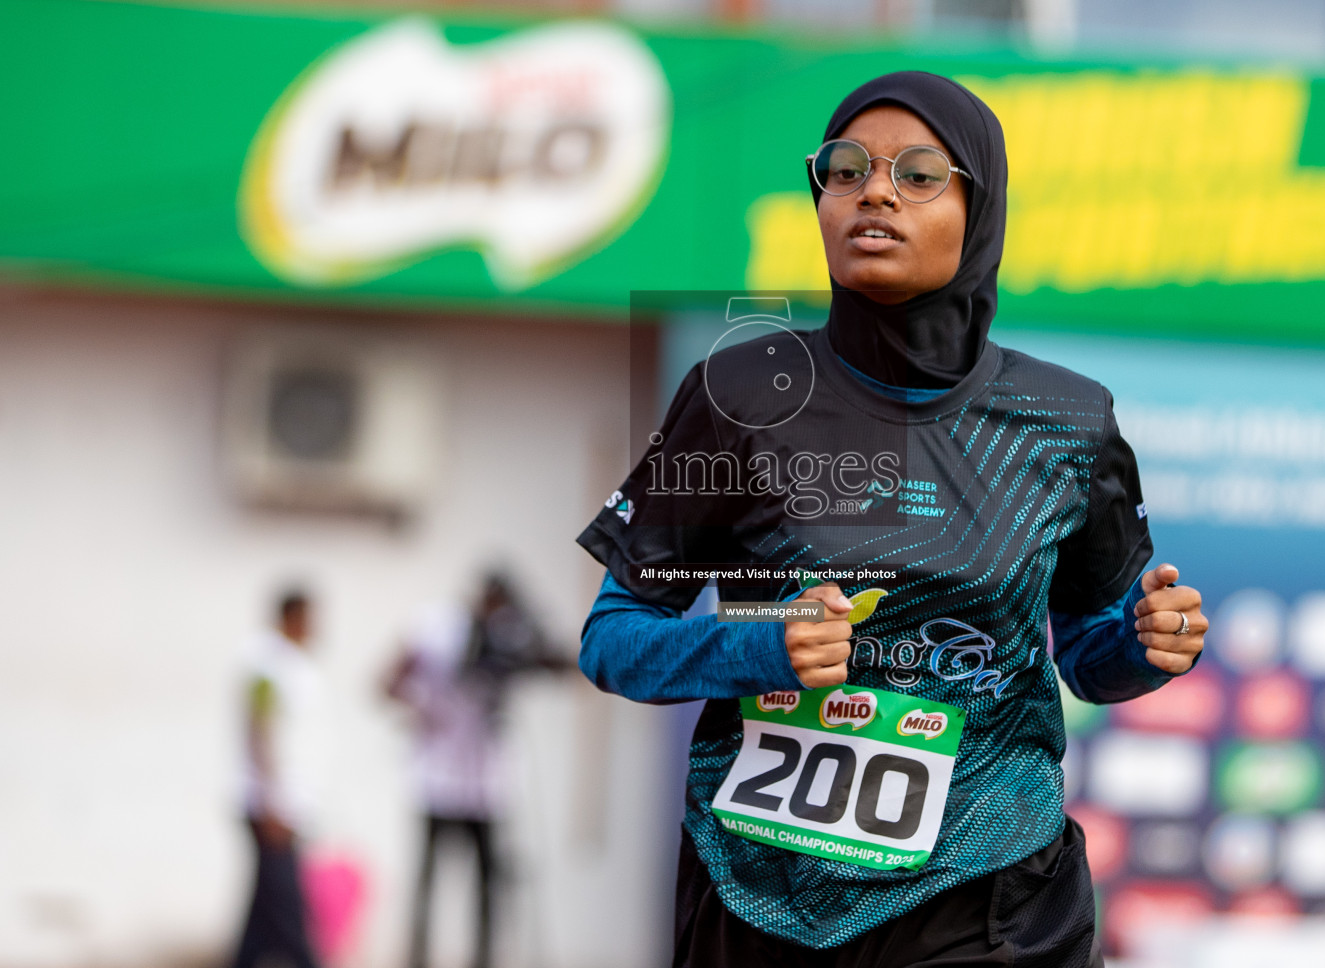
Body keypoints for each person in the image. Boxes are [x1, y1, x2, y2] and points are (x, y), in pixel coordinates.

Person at [574, 72, 1210, 967]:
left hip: (984, 895)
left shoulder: (1065, 423)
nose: (874, 190)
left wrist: (1145, 647)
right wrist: (759, 647)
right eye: (844, 170)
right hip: (758, 897)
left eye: (918, 174)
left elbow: (1092, 661)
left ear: (978, 208)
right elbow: (613, 640)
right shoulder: (742, 393)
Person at [382, 571, 567, 968]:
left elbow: (559, 663)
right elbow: (387, 681)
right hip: (438, 778)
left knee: (489, 882)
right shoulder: (437, 627)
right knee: (428, 881)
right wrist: (421, 707)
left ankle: (483, 959)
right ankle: (418, 957)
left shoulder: (511, 633)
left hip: (486, 783)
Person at [233, 588, 328, 968]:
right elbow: (261, 730)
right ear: (291, 617)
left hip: (284, 803)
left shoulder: (290, 664)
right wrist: (272, 801)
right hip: (271, 807)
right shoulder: (266, 662)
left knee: (262, 913)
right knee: (289, 910)